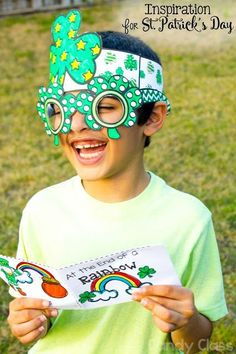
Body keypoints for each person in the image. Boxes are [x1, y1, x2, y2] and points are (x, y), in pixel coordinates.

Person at [7, 9, 228, 354]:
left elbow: (197, 344)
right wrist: (30, 321)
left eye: (104, 106)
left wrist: (185, 323)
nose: (77, 124)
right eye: (63, 109)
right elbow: (36, 315)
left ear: (151, 118)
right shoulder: (42, 211)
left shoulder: (189, 220)